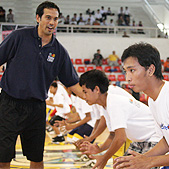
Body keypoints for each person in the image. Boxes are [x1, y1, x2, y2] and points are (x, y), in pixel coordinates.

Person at [0, 1, 83, 169]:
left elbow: (73, 83)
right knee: (3, 156)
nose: (52, 22)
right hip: (9, 104)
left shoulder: (59, 51)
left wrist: (99, 98)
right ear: (38, 18)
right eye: (48, 17)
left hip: (36, 108)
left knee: (37, 157)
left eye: (55, 19)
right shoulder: (18, 37)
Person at [78, 69, 161, 169]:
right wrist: (99, 149)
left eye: (85, 92)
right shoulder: (105, 105)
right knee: (119, 166)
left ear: (96, 89)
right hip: (140, 141)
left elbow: (120, 138)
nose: (83, 96)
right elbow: (113, 135)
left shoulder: (114, 102)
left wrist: (104, 158)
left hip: (154, 139)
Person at [113, 42, 169, 169]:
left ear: (150, 70)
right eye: (125, 71)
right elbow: (167, 141)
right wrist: (143, 158)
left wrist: (148, 162)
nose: (127, 78)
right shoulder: (153, 100)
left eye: (132, 70)